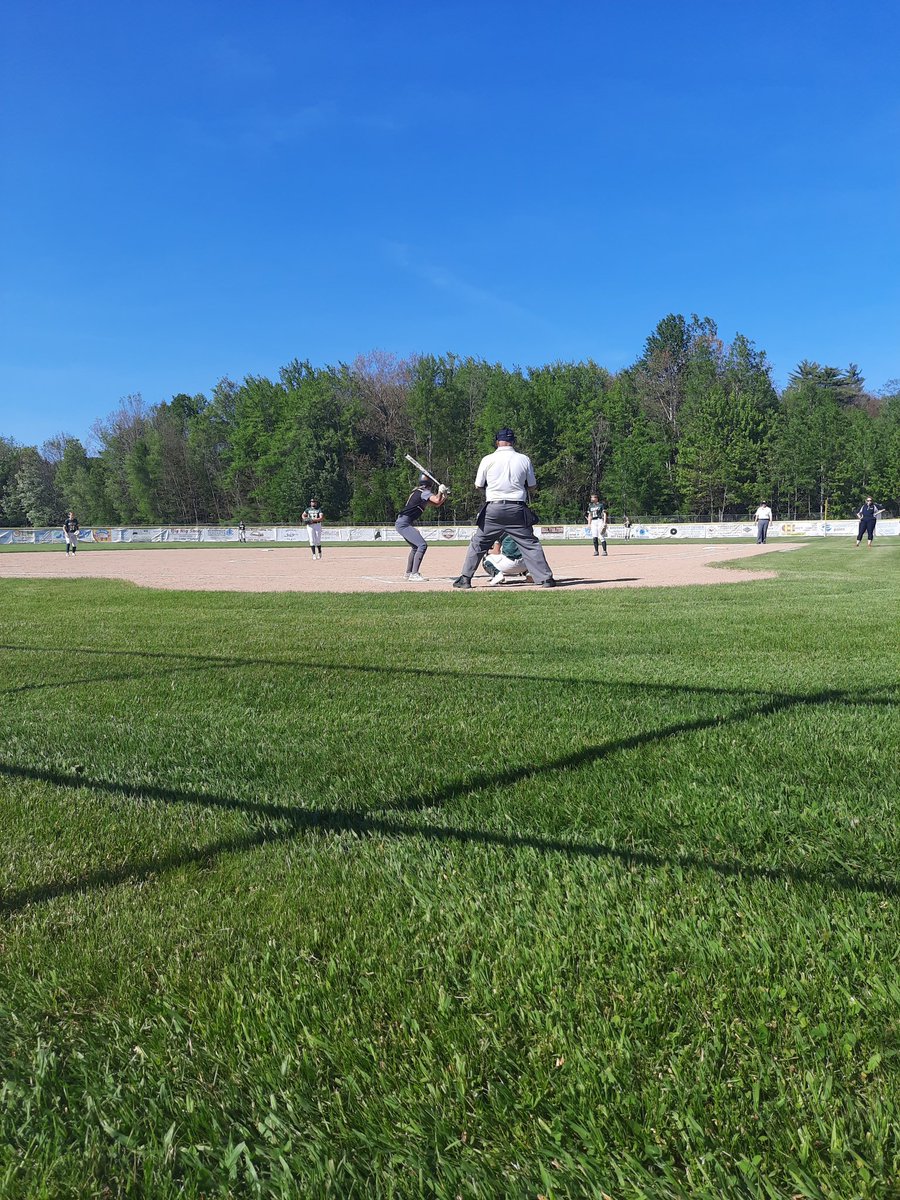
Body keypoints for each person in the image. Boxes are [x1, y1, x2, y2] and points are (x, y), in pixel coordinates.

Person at [452, 429, 556, 589]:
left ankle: (465, 578)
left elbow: (478, 485)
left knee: (478, 543)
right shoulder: (524, 459)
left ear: (496, 442)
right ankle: (546, 579)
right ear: (513, 441)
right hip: (516, 508)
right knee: (530, 544)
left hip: (493, 509)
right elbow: (533, 486)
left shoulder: (488, 459)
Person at [395, 474, 447, 580]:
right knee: (422, 545)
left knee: (415, 547)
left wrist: (444, 494)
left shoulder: (418, 492)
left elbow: (437, 503)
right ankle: (414, 574)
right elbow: (437, 500)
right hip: (404, 523)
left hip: (403, 522)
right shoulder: (425, 492)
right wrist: (440, 491)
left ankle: (409, 573)